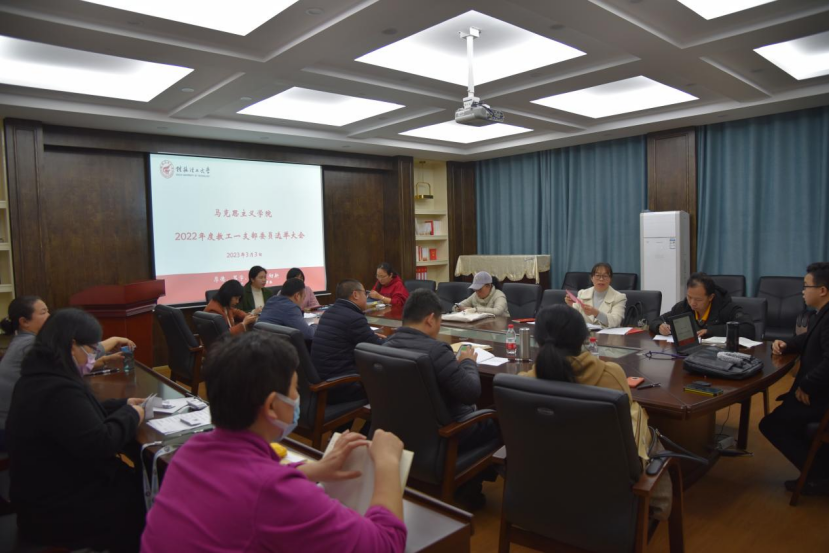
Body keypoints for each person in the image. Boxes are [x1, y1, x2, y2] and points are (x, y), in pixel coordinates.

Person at [141, 332, 407, 553]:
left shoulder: (189, 451)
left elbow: (241, 485)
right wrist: (387, 463)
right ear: (271, 406)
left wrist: (315, 470)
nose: (296, 398)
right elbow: (386, 544)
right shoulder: (274, 494)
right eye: (294, 389)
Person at [6, 309, 147, 551]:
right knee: (144, 491)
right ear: (72, 346)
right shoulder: (58, 389)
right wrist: (132, 415)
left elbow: (77, 417)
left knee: (134, 479)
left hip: (42, 496)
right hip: (58, 511)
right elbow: (102, 443)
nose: (93, 356)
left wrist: (122, 404)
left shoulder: (39, 377)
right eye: (91, 349)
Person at [520, 305, 672, 519]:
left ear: (537, 340)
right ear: (583, 338)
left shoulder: (522, 384)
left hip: (545, 486)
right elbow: (626, 431)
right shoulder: (611, 374)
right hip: (606, 490)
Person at [384, 289, 501, 509]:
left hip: (405, 432)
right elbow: (471, 392)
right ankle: (469, 489)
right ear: (430, 319)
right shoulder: (436, 350)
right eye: (439, 321)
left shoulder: (387, 345)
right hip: (447, 436)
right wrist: (468, 362)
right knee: (498, 418)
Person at [761, 262, 829, 496]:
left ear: (822, 290)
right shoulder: (822, 314)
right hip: (817, 392)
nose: (802, 291)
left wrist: (806, 385)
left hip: (819, 398)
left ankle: (817, 475)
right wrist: (787, 344)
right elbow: (809, 339)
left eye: (806, 286)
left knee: (771, 424)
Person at [311, 280, 384, 405]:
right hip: (340, 386)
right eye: (365, 293)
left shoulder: (328, 312)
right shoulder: (354, 318)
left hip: (323, 381)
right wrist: (393, 339)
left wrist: (370, 336)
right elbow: (378, 347)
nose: (366, 297)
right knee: (387, 381)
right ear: (355, 295)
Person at [0, 297, 49, 451]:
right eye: (43, 312)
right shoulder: (31, 344)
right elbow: (71, 362)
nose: (50, 316)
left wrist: (100, 360)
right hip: (9, 431)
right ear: (24, 322)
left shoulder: (21, 340)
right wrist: (111, 341)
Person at [650, 272, 755, 339]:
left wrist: (711, 331)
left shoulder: (727, 308)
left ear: (710, 297)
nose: (692, 303)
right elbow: (656, 320)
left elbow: (748, 329)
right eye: (689, 297)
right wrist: (659, 327)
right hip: (689, 354)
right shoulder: (683, 307)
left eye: (698, 299)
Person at [565, 262, 628, 329]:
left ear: (610, 279)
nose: (601, 279)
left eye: (605, 276)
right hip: (585, 333)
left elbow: (616, 321)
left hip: (608, 334)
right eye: (597, 275)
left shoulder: (619, 297)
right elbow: (576, 317)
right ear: (592, 278)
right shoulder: (582, 293)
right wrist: (571, 305)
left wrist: (596, 313)